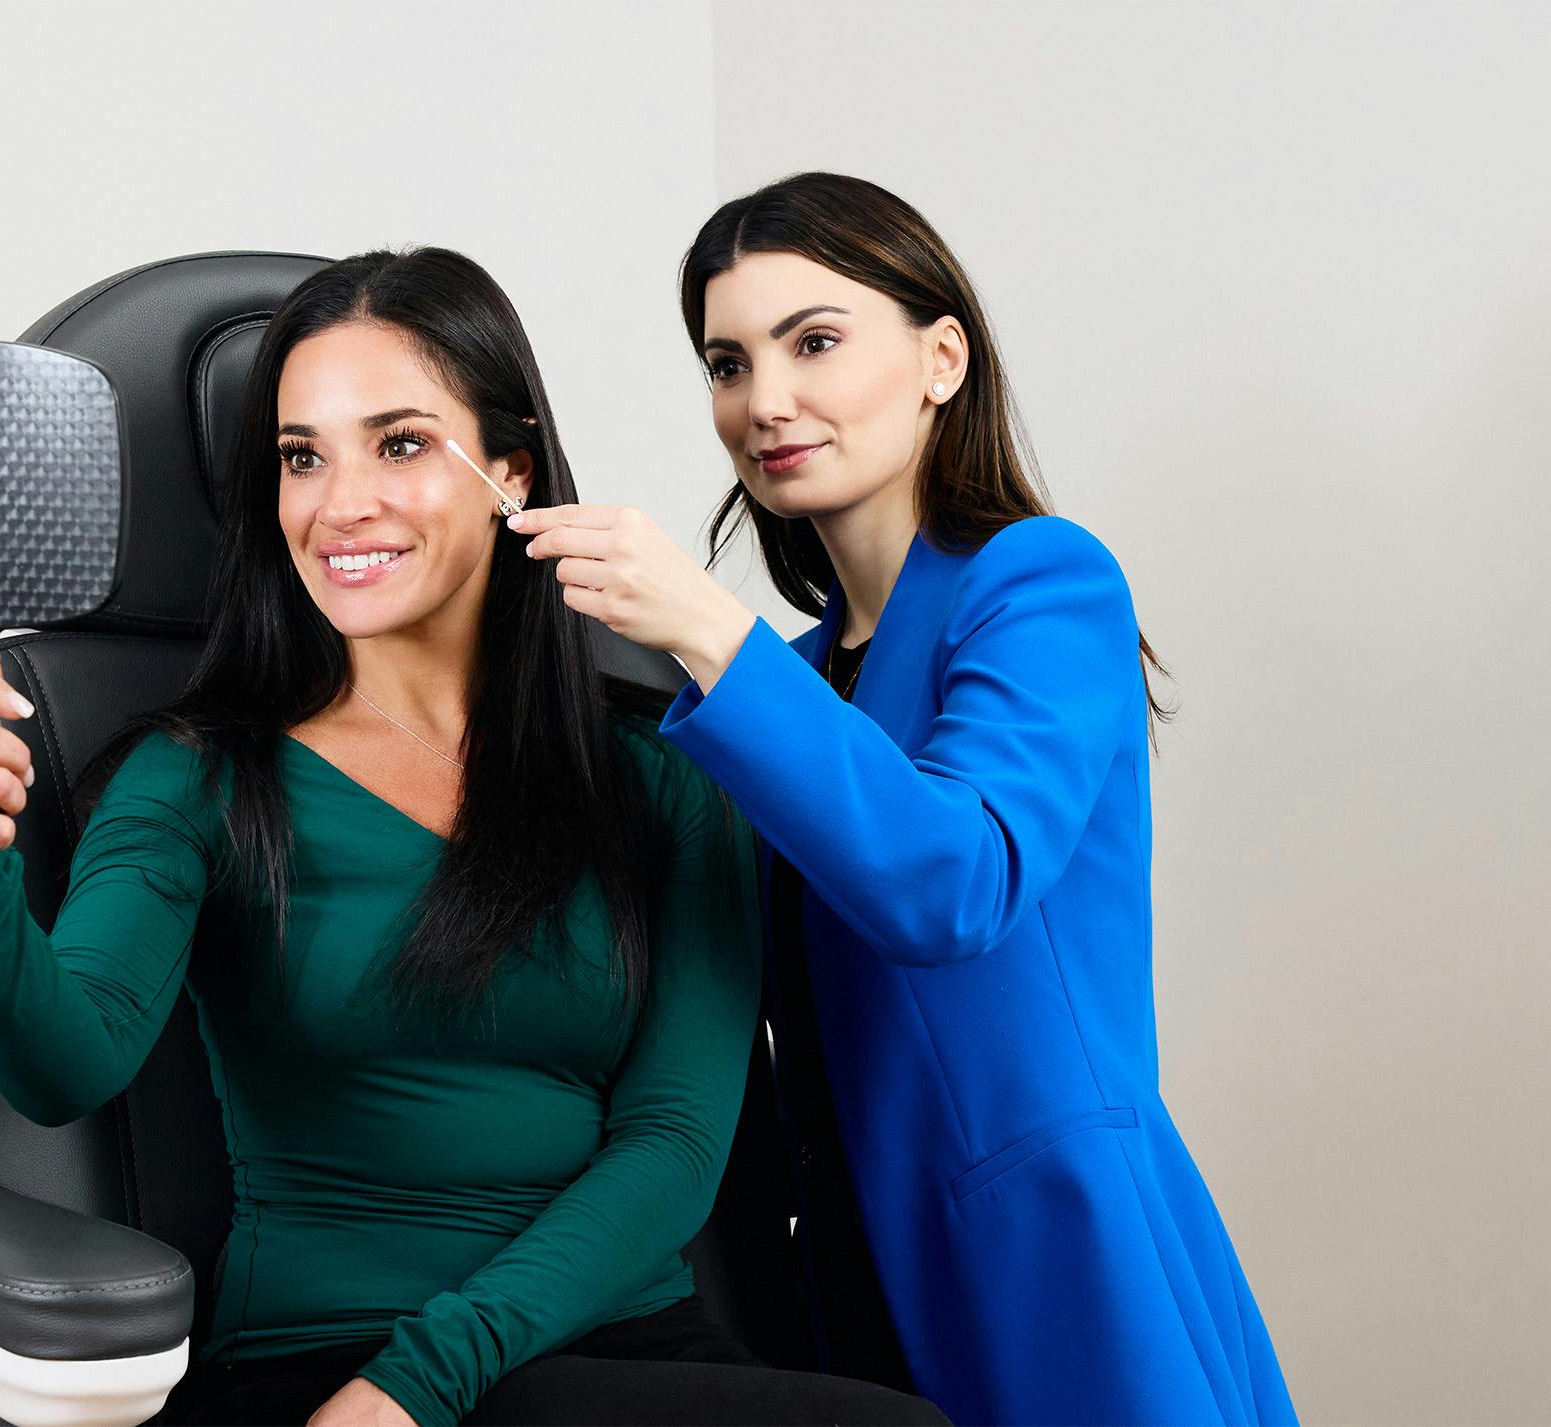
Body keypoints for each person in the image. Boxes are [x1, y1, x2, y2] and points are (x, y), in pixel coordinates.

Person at [0, 246, 947, 1427]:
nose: (341, 504)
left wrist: (419, 1383)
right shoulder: (199, 775)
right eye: (301, 457)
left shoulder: (662, 774)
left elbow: (674, 1140)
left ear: (510, 465)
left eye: (398, 443)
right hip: (314, 1359)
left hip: (588, 1345)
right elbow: (64, 1059)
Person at [510, 173, 1297, 1425]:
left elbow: (954, 882)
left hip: (1049, 1249)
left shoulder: (1040, 580)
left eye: (813, 341)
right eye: (726, 362)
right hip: (854, 1262)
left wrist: (712, 634)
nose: (763, 401)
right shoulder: (803, 676)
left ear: (941, 357)